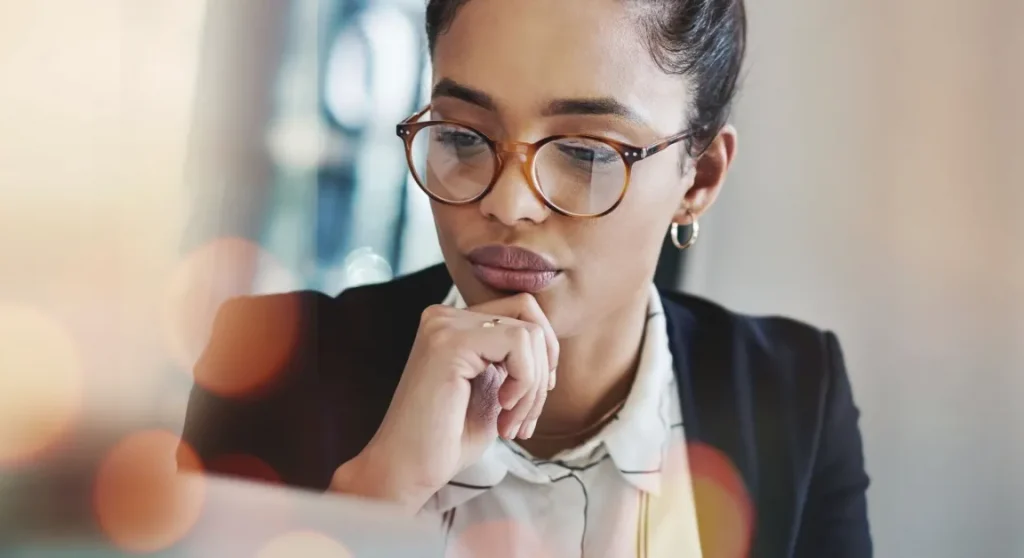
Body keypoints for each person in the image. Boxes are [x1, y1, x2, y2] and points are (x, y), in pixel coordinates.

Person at [179, 0, 872, 556]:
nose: (507, 203)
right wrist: (375, 498)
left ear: (701, 177)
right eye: (461, 136)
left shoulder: (795, 394)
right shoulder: (273, 361)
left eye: (583, 152)